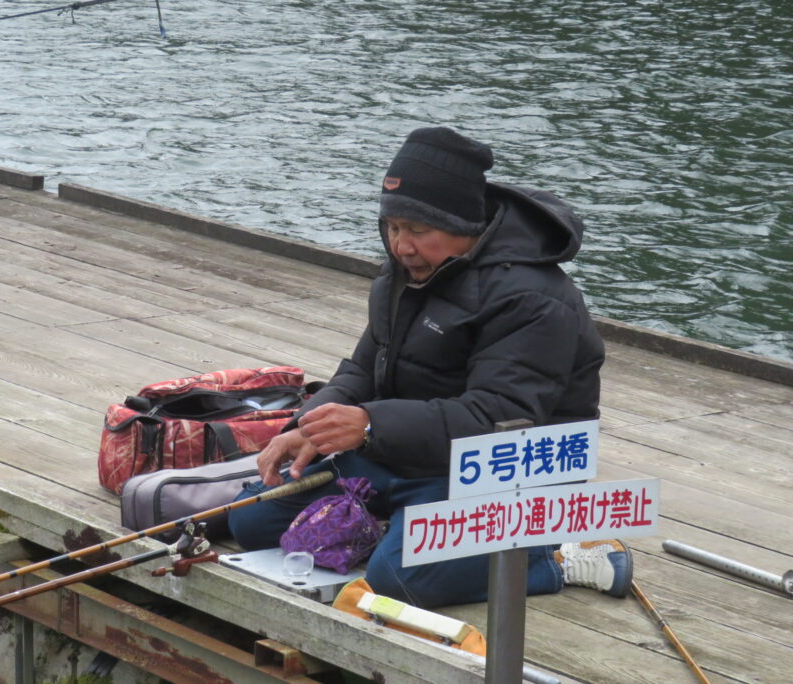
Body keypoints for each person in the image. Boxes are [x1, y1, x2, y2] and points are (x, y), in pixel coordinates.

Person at [228, 126, 633, 608]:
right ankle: (406, 532)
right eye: (393, 227)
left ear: (465, 225)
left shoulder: (534, 298)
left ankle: (556, 554)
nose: (402, 246)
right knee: (252, 520)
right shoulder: (401, 275)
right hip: (403, 452)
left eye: (419, 230)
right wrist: (311, 426)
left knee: (399, 579)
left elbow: (498, 417)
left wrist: (370, 425)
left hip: (500, 470)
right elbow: (363, 368)